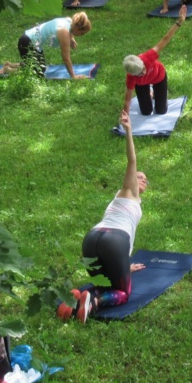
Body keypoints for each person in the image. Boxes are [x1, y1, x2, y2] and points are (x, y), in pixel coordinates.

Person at [57, 110, 148, 323]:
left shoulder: (124, 199)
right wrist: (128, 131)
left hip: (93, 239)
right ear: (131, 181)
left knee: (104, 284)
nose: (143, 180)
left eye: (145, 180)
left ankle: (74, 301)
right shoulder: (128, 191)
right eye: (139, 177)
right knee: (122, 293)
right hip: (113, 240)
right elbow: (131, 161)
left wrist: (125, 266)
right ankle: (94, 303)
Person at [124, 8, 187, 115]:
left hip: (159, 77)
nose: (143, 72)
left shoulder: (148, 57)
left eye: (143, 69)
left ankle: (159, 92)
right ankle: (151, 92)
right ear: (134, 74)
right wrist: (125, 113)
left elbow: (165, 39)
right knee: (146, 112)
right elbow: (128, 96)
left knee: (161, 111)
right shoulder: (131, 77)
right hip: (142, 84)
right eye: (140, 73)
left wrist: (179, 22)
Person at [18, 14, 92, 78]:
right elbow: (66, 58)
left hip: (33, 43)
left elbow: (71, 29)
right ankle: (9, 70)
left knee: (41, 68)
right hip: (27, 43)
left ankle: (11, 65)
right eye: (82, 33)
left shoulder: (69, 21)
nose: (81, 36)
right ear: (78, 28)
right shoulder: (64, 33)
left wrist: (71, 38)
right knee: (37, 73)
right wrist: (73, 76)